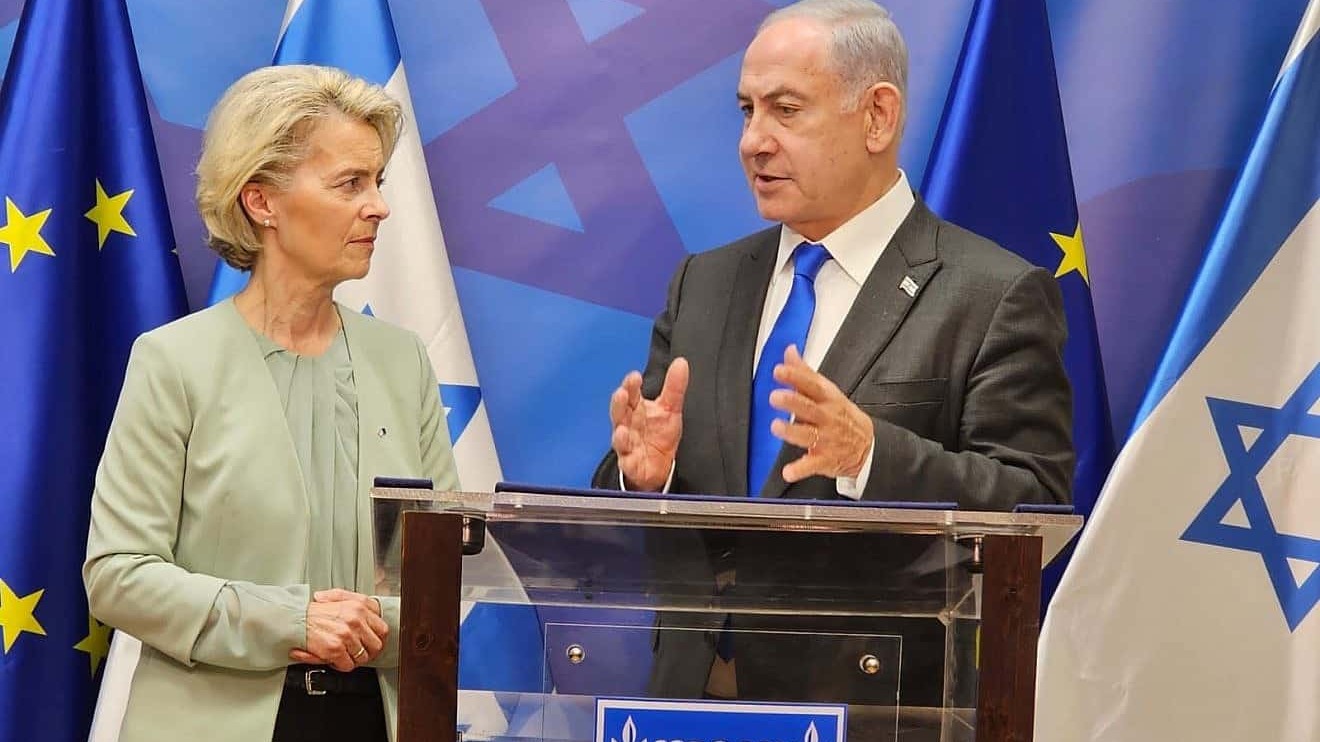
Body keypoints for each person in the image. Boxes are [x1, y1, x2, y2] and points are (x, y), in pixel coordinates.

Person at [591, 0, 1074, 707]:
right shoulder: (705, 283)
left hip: (877, 705)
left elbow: (1032, 505)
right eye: (747, 110)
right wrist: (649, 480)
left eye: (786, 110)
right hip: (691, 699)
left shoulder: (992, 294)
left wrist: (870, 455)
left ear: (877, 116)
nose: (753, 141)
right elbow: (623, 498)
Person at [83, 65, 457, 742]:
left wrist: (378, 624)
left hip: (376, 720)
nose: (379, 206)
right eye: (351, 183)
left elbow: (448, 573)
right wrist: (291, 621)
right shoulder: (174, 361)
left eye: (377, 181)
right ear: (261, 202)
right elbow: (118, 575)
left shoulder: (403, 362)